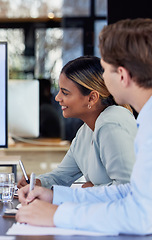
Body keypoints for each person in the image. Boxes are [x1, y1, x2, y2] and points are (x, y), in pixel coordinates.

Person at [16, 18, 152, 235]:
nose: (103, 78)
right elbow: (131, 192)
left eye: (106, 70)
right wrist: (56, 197)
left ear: (123, 76)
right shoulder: (144, 119)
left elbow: (142, 215)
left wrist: (57, 215)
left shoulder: (117, 120)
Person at [17, 56, 137, 189]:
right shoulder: (85, 131)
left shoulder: (111, 124)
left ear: (92, 98)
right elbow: (61, 176)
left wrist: (91, 190)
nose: (57, 98)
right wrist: (37, 183)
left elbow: (128, 188)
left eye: (65, 93)